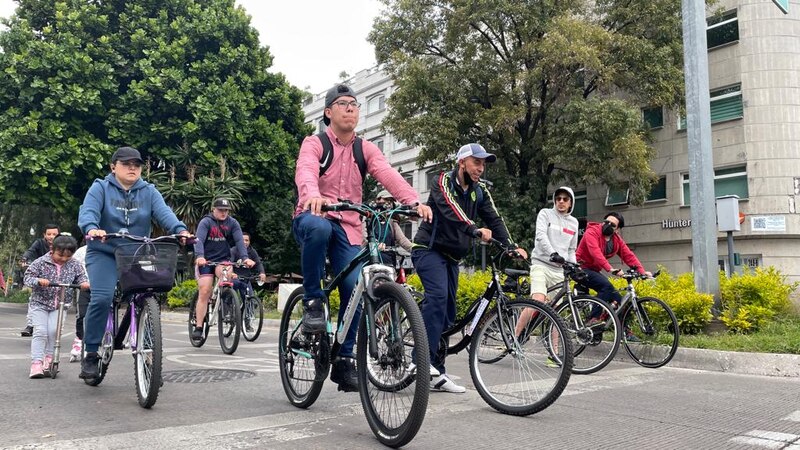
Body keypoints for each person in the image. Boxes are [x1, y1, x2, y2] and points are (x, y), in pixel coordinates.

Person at [293, 83, 432, 392]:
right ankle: (313, 300)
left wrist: (412, 201)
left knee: (357, 284)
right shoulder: (314, 143)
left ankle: (344, 361)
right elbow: (305, 171)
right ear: (328, 113)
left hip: (349, 226)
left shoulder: (364, 149)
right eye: (343, 104)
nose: (350, 108)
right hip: (315, 216)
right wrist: (313, 195)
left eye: (354, 104)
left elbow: (388, 173)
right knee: (319, 227)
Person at [412, 143, 527, 393]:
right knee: (439, 297)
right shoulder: (443, 180)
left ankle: (438, 373)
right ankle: (418, 361)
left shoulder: (481, 191)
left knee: (448, 314)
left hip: (452, 257)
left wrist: (511, 246)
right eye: (477, 162)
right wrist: (473, 229)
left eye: (483, 164)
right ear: (462, 162)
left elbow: (495, 219)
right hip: (428, 250)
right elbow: (451, 209)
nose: (481, 168)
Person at [78, 146, 190, 380]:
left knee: (147, 297)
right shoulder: (100, 187)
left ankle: (150, 359)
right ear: (113, 166)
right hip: (104, 252)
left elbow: (164, 213)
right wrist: (92, 228)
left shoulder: (148, 191)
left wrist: (180, 230)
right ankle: (90, 353)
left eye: (136, 164)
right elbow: (87, 212)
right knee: (102, 297)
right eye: (126, 163)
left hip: (137, 253)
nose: (132, 168)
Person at [514, 187, 579, 366]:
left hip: (559, 271)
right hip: (541, 265)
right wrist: (553, 253)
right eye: (558, 198)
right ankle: (515, 338)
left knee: (556, 312)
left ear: (571, 202)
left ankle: (554, 355)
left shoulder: (574, 223)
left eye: (565, 199)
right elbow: (540, 236)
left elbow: (572, 249)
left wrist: (573, 265)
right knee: (538, 301)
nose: (561, 201)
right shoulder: (545, 214)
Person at [23, 234, 89, 378]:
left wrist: (83, 283)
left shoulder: (75, 264)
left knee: (54, 332)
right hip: (40, 303)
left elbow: (81, 277)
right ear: (52, 249)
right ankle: (36, 363)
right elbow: (27, 277)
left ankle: (49, 359)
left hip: (60, 304)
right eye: (60, 255)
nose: (64, 259)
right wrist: (38, 280)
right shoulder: (41, 262)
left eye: (68, 256)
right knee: (40, 331)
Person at [192, 198, 254, 341]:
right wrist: (200, 256)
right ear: (213, 209)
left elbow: (239, 241)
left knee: (227, 279)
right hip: (206, 260)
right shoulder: (206, 222)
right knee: (205, 290)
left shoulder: (233, 223)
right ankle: (199, 326)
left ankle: (226, 305)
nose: (223, 213)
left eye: (226, 210)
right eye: (220, 210)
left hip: (223, 260)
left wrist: (245, 258)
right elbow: (198, 240)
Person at [575, 212, 651, 322]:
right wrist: (610, 269)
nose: (608, 225)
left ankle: (624, 332)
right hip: (580, 268)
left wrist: (642, 272)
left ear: (617, 230)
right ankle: (593, 320)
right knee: (605, 286)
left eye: (613, 225)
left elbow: (628, 255)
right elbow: (595, 253)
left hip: (594, 270)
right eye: (606, 222)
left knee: (619, 300)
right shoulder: (592, 232)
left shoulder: (616, 240)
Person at [19, 224, 60, 337]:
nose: (51, 237)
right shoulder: (39, 243)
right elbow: (30, 251)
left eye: (54, 234)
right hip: (41, 278)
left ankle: (53, 326)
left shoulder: (62, 245)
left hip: (58, 277)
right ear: (44, 235)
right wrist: (24, 259)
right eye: (49, 234)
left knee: (58, 304)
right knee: (34, 300)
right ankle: (30, 325)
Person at [231, 231, 266, 332]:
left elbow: (258, 263)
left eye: (247, 240)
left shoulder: (252, 251)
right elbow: (229, 263)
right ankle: (228, 313)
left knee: (249, 299)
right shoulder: (233, 250)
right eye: (242, 240)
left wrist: (262, 273)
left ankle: (246, 324)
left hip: (246, 279)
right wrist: (232, 273)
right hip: (234, 279)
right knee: (229, 296)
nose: (245, 242)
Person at [373, 189, 413, 268]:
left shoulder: (392, 221)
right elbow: (362, 237)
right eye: (386, 199)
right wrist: (374, 245)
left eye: (390, 201)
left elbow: (402, 240)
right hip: (372, 259)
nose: (388, 203)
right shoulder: (369, 217)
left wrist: (417, 250)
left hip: (389, 261)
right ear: (377, 200)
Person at [70, 244, 89, 362]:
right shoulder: (82, 251)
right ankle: (79, 340)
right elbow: (72, 267)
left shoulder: (111, 247)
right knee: (82, 315)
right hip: (85, 288)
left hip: (103, 287)